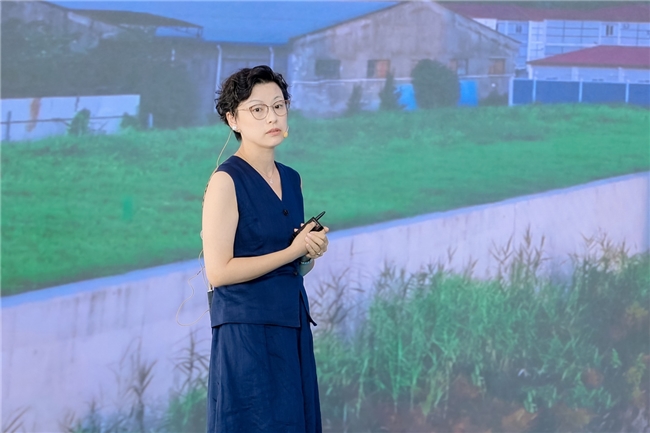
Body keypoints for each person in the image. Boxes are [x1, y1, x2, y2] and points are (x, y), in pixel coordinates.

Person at [202, 65, 328, 433]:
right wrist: (292, 251)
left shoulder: (291, 178)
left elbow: (293, 265)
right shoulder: (226, 180)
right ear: (233, 119)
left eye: (278, 106)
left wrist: (308, 253)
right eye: (257, 109)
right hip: (247, 333)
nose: (272, 117)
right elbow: (219, 271)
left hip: (291, 325)